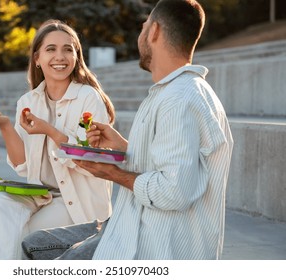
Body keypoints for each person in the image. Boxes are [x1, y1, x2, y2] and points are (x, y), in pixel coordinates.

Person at [21, 0, 234, 260]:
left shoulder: (180, 99)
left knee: (48, 257)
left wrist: (114, 174)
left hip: (153, 243)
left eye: (143, 27)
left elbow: (175, 191)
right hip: (128, 222)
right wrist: (124, 147)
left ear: (154, 31)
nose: (140, 34)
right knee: (34, 243)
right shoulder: (170, 92)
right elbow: (167, 162)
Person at [0, 19, 115, 259]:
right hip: (40, 195)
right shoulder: (28, 102)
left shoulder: (88, 99)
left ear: (76, 57)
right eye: (51, 49)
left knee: (15, 238)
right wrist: (4, 125)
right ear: (37, 59)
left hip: (76, 203)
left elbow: (89, 161)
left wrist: (50, 130)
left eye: (67, 49)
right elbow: (23, 166)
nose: (59, 56)